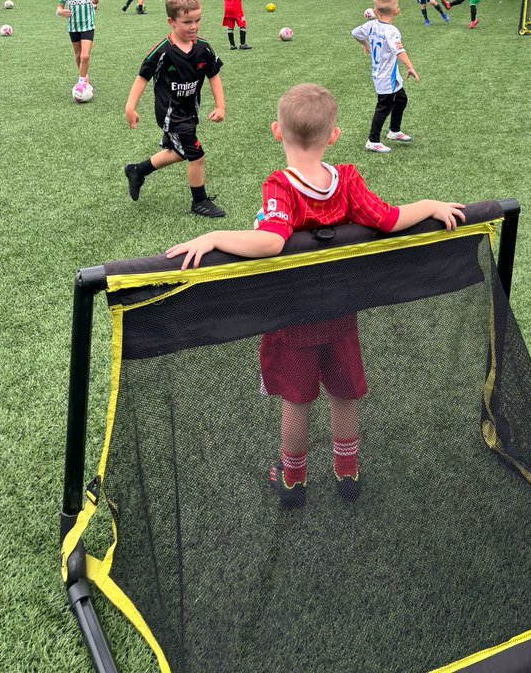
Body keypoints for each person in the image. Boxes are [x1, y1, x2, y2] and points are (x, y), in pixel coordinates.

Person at [165, 83, 465, 507]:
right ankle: (348, 473)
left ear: (276, 132)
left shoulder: (280, 186)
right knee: (343, 393)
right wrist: (431, 203)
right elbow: (390, 219)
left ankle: (293, 479)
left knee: (297, 400)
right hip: (340, 312)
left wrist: (214, 235)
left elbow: (270, 241)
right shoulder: (346, 180)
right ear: (334, 136)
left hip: (293, 316)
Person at [123, 0, 226, 218]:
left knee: (179, 153)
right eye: (187, 22)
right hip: (170, 115)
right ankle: (199, 201)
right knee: (197, 156)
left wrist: (221, 106)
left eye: (197, 20)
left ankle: (137, 170)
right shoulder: (163, 52)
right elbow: (142, 78)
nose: (194, 26)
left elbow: (214, 75)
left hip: (189, 111)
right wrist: (130, 107)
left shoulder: (203, 48)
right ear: (171, 22)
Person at [351, 0, 417, 153]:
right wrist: (410, 67)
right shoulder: (392, 31)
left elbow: (355, 33)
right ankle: (372, 140)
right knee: (384, 106)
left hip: (389, 74)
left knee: (401, 99)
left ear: (374, 11)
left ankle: (394, 131)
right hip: (385, 76)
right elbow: (399, 51)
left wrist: (365, 43)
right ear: (397, 11)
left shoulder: (371, 25)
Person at [57, 0, 99, 94]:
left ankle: (81, 83)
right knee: (78, 55)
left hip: (88, 24)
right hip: (73, 26)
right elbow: (59, 8)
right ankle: (84, 76)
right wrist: (60, 12)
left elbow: (95, 3)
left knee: (85, 56)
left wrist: (96, 1)